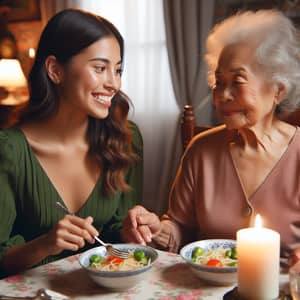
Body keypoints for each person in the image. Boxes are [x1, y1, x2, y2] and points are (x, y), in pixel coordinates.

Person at [122, 9, 300, 265]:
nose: (223, 95)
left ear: (278, 90)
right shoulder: (201, 150)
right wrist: (154, 228)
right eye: (218, 82)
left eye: (237, 81)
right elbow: (178, 228)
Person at [0, 8, 143, 278]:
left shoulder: (126, 139)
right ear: (55, 70)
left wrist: (132, 228)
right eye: (100, 68)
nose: (114, 83)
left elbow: (116, 242)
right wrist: (45, 244)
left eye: (118, 69)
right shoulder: (8, 151)